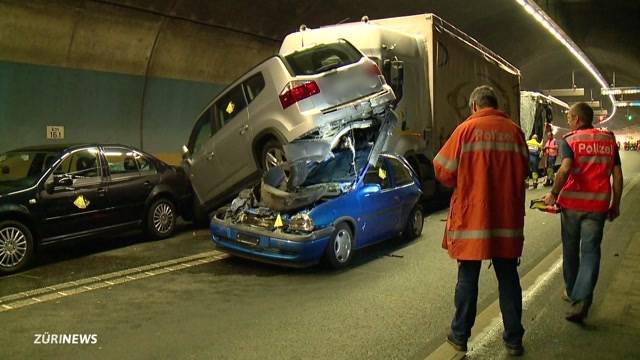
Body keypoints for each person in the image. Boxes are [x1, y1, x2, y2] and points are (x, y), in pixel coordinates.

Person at [434, 85, 529, 356]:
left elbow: (442, 170)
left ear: (474, 105)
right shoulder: (514, 132)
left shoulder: (465, 130)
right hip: (507, 221)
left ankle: (460, 335)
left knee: (467, 278)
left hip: (472, 221)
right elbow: (524, 168)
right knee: (508, 277)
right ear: (494, 104)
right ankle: (513, 340)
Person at [543, 102, 623, 323]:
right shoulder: (609, 140)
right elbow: (617, 175)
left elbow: (566, 168)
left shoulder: (569, 140)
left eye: (569, 117)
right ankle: (583, 297)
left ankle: (572, 293)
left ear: (577, 120)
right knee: (590, 251)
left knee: (570, 250)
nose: (567, 121)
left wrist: (553, 194)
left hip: (572, 206)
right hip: (597, 206)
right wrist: (615, 204)